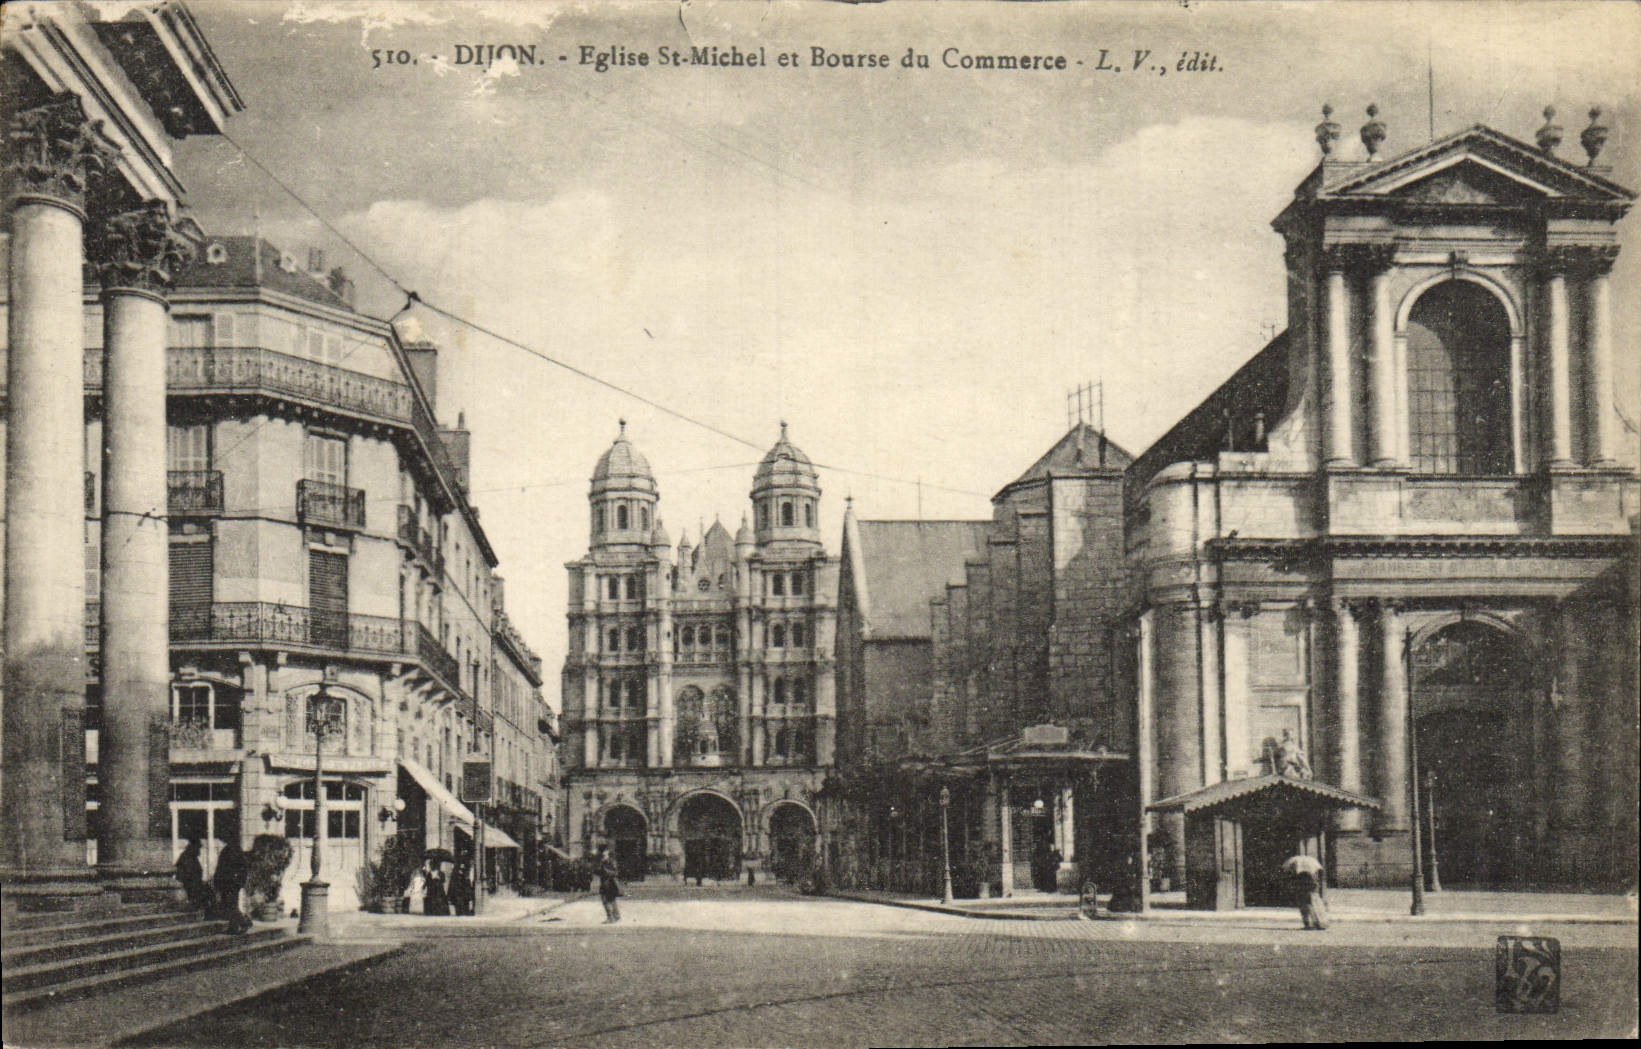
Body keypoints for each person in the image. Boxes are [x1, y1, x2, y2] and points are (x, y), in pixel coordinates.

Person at [212, 833, 252, 933]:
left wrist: (218, 882)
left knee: (231, 905)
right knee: (231, 905)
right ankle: (235, 926)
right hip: (232, 883)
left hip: (229, 883)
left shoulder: (229, 850)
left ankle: (242, 923)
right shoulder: (235, 850)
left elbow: (222, 869)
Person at [175, 838, 211, 916]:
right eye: (198, 848)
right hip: (190, 885)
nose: (199, 850)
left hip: (194, 884)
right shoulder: (187, 856)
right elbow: (187, 873)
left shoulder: (192, 856)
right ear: (194, 847)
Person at [1293, 865, 1328, 930]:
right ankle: (1317, 924)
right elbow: (1315, 884)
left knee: (1308, 909)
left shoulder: (1303, 875)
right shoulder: (1313, 874)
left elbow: (1313, 885)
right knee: (1314, 909)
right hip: (1312, 894)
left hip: (1307, 894)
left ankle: (1310, 924)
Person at [597, 846, 622, 924]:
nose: (603, 855)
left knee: (606, 900)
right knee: (610, 900)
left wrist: (605, 870)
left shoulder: (610, 861)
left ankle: (610, 917)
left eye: (604, 853)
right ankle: (616, 916)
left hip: (609, 883)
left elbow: (615, 872)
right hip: (605, 883)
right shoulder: (603, 861)